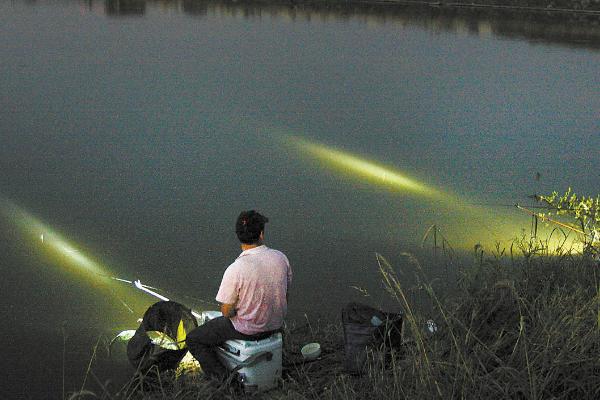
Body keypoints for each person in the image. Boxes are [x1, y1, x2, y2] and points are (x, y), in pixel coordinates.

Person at [186, 210, 292, 381]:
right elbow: (285, 295)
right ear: (261, 234)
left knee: (194, 339)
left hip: (247, 330)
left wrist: (238, 311)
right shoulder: (281, 258)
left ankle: (224, 381)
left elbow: (227, 311)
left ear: (238, 236)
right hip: (276, 325)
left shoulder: (235, 269)